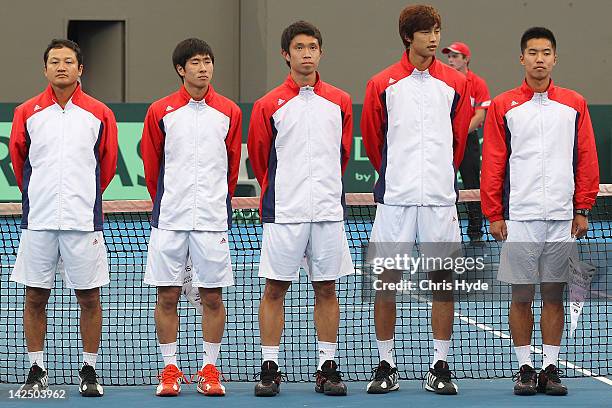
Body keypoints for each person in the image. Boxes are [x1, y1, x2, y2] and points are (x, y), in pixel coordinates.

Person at [481, 27, 599, 396]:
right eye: (532, 52)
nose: (539, 59)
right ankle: (525, 368)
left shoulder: (575, 103)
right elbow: (494, 163)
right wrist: (495, 214)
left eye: (546, 52)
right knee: (521, 296)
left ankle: (549, 368)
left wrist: (582, 207)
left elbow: (586, 157)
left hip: (562, 219)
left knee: (553, 295)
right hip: (520, 219)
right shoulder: (503, 106)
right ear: (522, 58)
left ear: (554, 58)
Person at [361, 4, 471, 395]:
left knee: (442, 283)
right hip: (396, 202)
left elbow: (457, 142)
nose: (434, 38)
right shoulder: (381, 84)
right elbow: (374, 141)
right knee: (385, 283)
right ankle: (386, 364)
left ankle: (440, 365)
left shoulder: (456, 84)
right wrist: (398, 177)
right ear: (409, 37)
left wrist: (438, 177)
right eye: (426, 32)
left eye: (437, 30)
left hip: (440, 202)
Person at [247, 20, 354, 397]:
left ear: (320, 52)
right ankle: (270, 366)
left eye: (312, 47)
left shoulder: (339, 101)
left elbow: (341, 156)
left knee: (326, 289)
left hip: (327, 212)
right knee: (275, 289)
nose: (306, 54)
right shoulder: (267, 104)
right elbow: (262, 159)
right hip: (285, 213)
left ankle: (327, 367)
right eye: (299, 48)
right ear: (286, 55)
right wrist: (286, 191)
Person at [9, 38, 118, 397]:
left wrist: (82, 198)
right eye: (54, 61)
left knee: (89, 299)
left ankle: (89, 368)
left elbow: (107, 164)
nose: (61, 66)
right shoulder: (27, 112)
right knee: (35, 298)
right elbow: (19, 158)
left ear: (80, 69)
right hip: (38, 221)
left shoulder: (99, 113)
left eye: (68, 61)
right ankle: (36, 369)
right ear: (45, 69)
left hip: (82, 222)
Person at [141, 38, 242, 397]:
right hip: (169, 219)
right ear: (181, 69)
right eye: (196, 62)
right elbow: (152, 166)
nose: (204, 68)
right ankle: (170, 368)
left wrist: (217, 201)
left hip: (212, 220)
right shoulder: (160, 111)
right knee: (167, 296)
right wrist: (168, 202)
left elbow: (231, 166)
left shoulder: (229, 111)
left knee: (212, 297)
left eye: (208, 61)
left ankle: (209, 368)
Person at [443, 41, 491, 242]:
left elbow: (480, 116)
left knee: (472, 186)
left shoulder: (477, 83)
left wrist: (459, 133)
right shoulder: (444, 80)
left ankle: (475, 232)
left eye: (455, 56)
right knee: (443, 186)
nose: (451, 60)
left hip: (467, 139)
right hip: (444, 141)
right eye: (449, 56)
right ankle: (444, 232)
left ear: (466, 59)